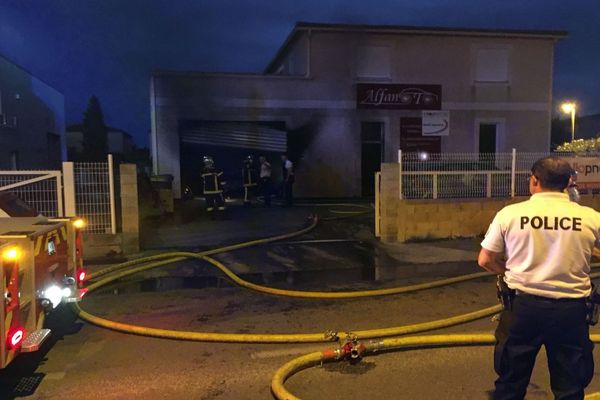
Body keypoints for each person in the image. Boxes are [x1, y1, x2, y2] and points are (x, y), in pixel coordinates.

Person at [478, 156, 600, 400]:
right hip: (571, 312)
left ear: (534, 181)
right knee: (570, 388)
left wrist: (509, 271)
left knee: (510, 384)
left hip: (522, 309)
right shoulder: (591, 217)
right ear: (568, 183)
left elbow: (485, 259)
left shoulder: (510, 214)